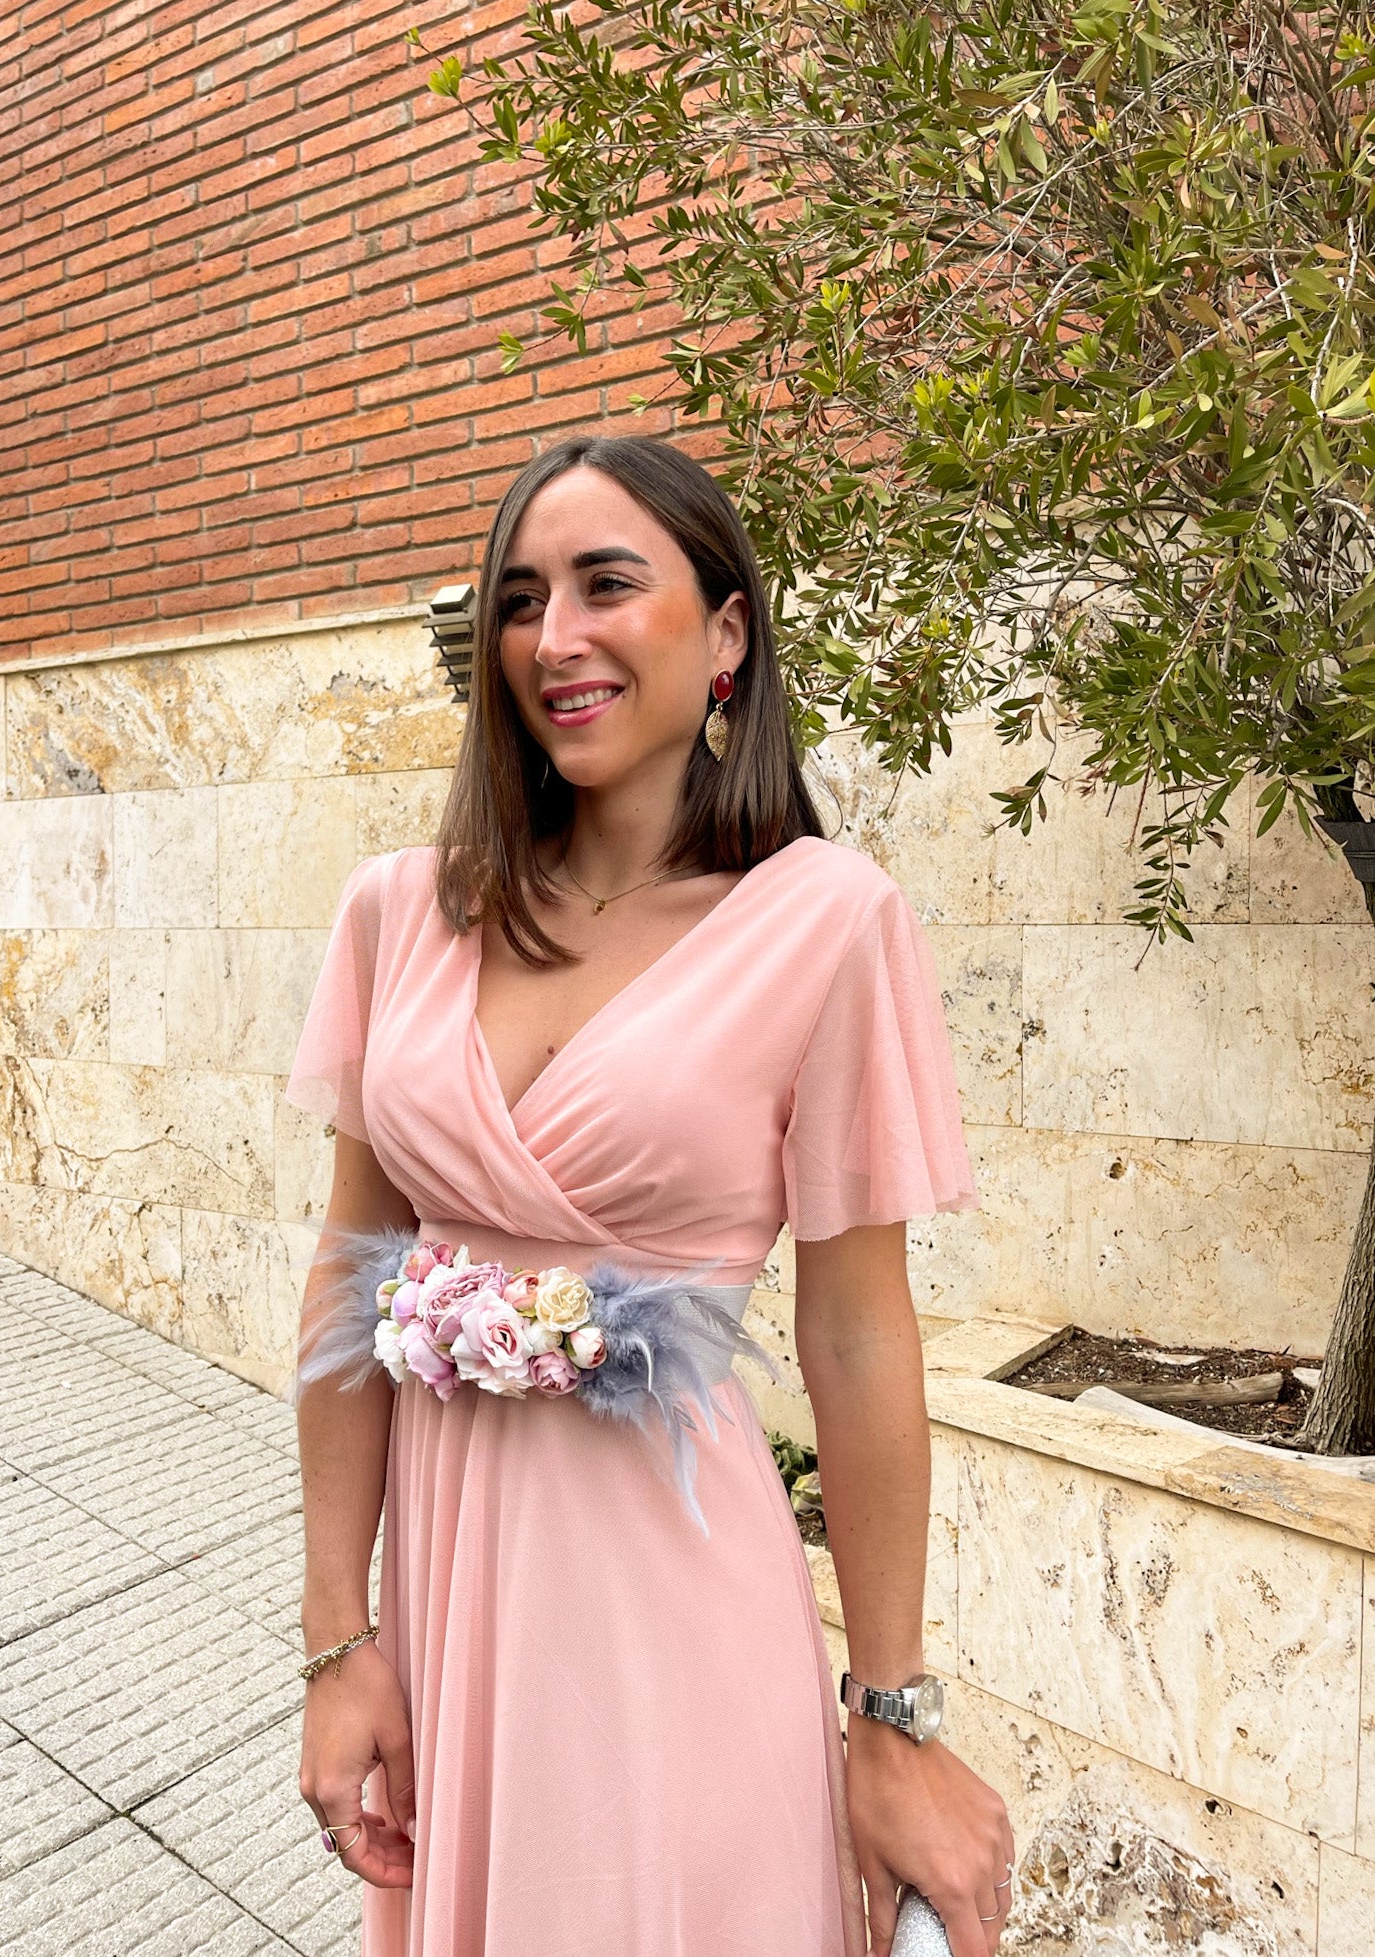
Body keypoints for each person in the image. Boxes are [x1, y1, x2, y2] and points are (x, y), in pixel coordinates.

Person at [284, 432, 1015, 1956]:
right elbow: (350, 1284)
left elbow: (862, 1338)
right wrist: (336, 1641)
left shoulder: (825, 924)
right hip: (449, 1600)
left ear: (727, 632)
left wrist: (890, 1710)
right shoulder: (396, 915)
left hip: (680, 1603)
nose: (558, 639)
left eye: (610, 584)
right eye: (520, 598)